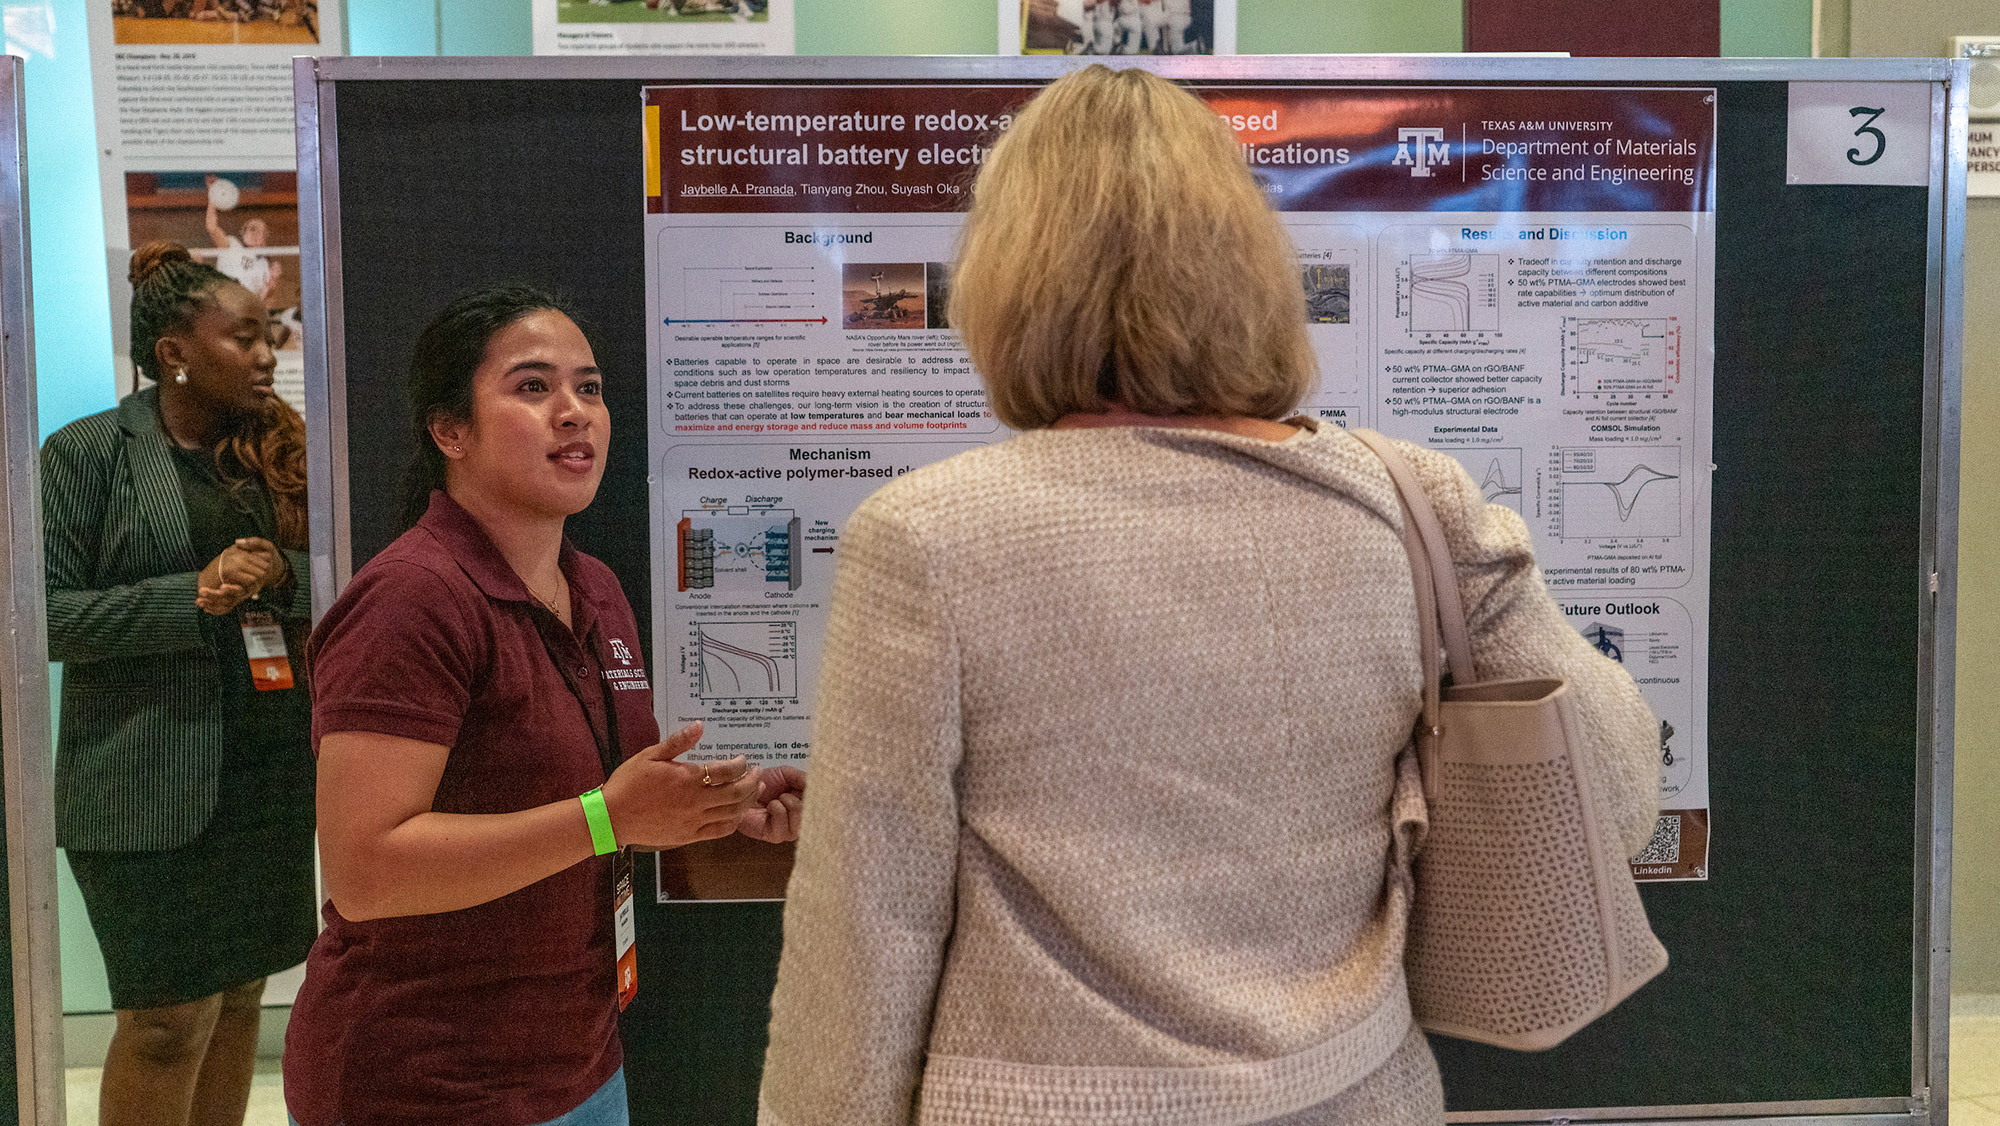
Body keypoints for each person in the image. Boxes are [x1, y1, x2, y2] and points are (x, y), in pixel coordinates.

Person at [757, 66, 1660, 1126]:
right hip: (1351, 1092)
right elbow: (1616, 794)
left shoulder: (926, 537)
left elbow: (863, 932)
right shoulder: (1415, 504)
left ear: (1004, 280)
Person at [283, 285, 805, 1126]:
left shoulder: (591, 585)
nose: (575, 414)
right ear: (450, 430)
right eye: (533, 388)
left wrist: (712, 812)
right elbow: (367, 870)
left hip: (578, 1062)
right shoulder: (412, 599)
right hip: (424, 1081)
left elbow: (587, 799)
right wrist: (609, 817)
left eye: (589, 388)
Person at [42, 242, 314, 1126]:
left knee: (238, 1001)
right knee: (165, 1023)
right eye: (245, 337)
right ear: (174, 353)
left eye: (271, 333)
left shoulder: (278, 450)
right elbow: (42, 617)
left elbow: (340, 580)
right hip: (142, 783)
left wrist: (285, 572)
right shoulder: (85, 454)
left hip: (267, 772)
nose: (269, 352)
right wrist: (189, 594)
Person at [205, 184, 280, 306]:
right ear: (243, 234)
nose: (256, 233)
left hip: (245, 311)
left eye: (260, 231)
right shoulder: (231, 244)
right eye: (252, 229)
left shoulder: (265, 265)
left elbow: (266, 303)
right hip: (223, 303)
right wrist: (214, 197)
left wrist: (272, 284)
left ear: (264, 239)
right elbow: (212, 227)